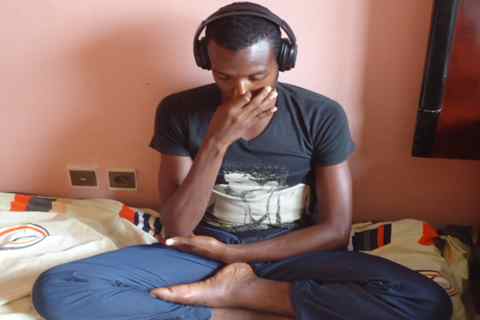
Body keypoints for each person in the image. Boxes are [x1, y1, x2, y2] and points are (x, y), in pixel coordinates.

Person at [32, 2, 452, 319]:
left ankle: (245, 295)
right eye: (224, 77)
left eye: (257, 76)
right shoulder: (180, 110)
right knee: (61, 289)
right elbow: (178, 225)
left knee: (426, 302)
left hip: (292, 253)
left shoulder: (320, 114)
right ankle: (223, 307)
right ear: (207, 64)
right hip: (200, 252)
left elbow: (335, 230)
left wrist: (238, 264)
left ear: (281, 63)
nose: (240, 92)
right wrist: (217, 140)